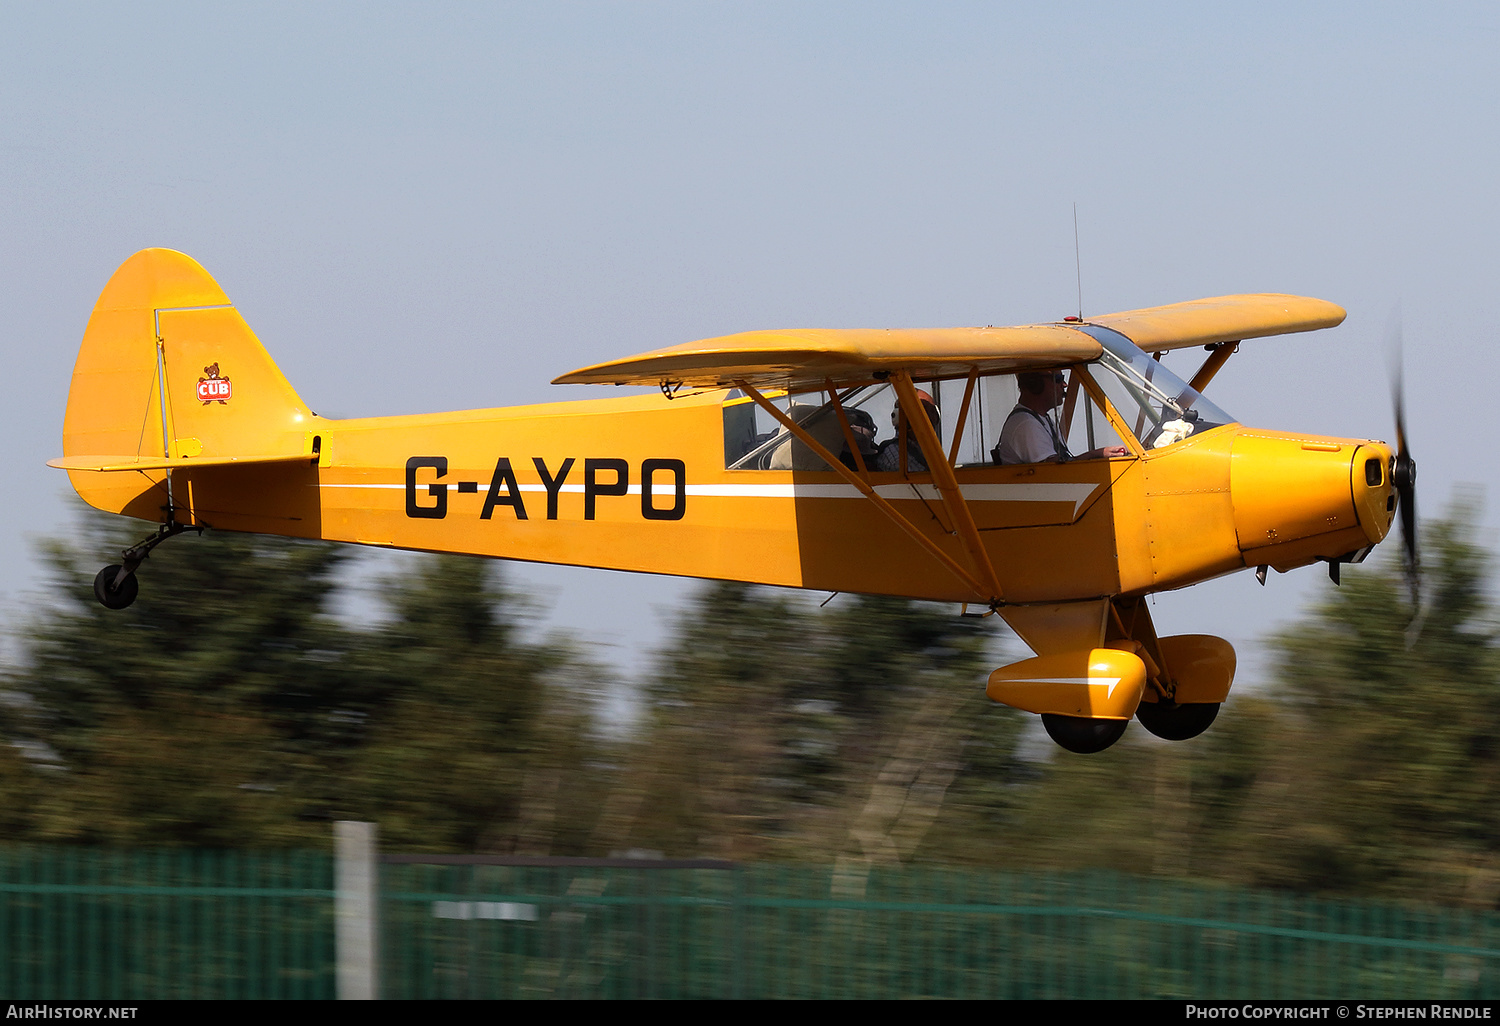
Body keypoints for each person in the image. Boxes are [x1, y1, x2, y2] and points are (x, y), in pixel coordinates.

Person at [993, 371, 1128, 465]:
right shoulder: (1026, 424)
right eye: (1058, 379)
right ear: (1035, 384)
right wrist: (1096, 454)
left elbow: (1063, 464)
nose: (1064, 384)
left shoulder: (1041, 418)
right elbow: (1056, 470)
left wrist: (1100, 453)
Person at [873, 390, 941, 472]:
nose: (928, 419)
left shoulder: (927, 451)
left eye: (930, 412)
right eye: (919, 411)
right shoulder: (897, 456)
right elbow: (917, 484)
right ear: (899, 416)